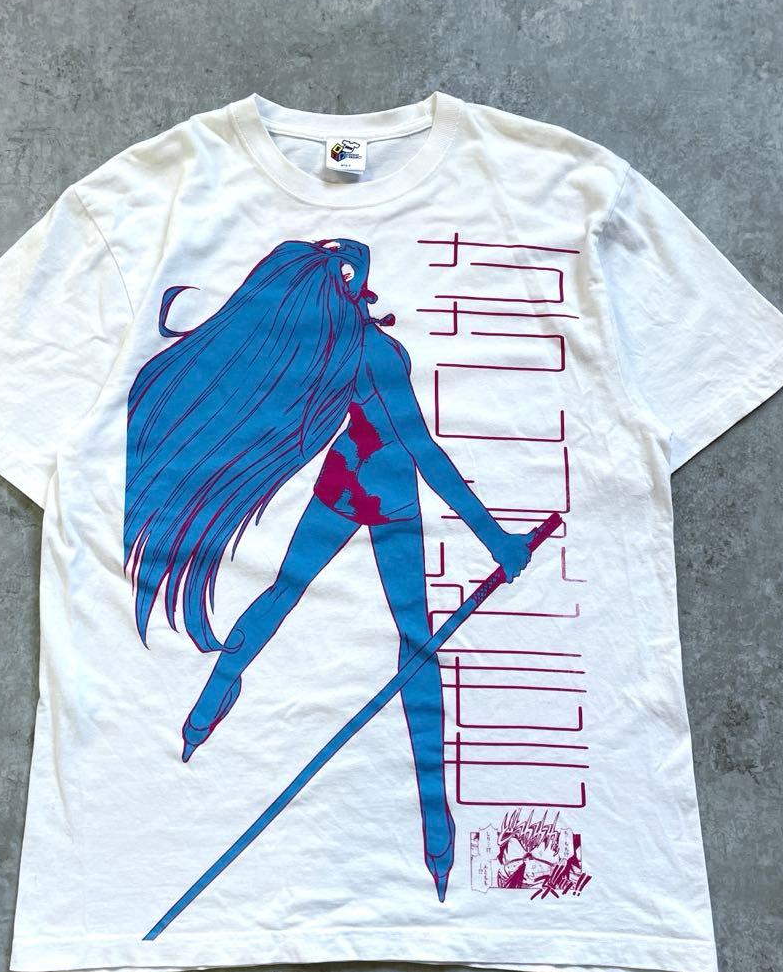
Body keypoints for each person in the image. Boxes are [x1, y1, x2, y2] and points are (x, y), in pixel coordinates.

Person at [125, 238, 532, 900]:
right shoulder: (370, 352)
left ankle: (203, 714)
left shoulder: (335, 344)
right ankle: (436, 826)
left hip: (343, 481)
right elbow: (423, 452)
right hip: (388, 491)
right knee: (415, 642)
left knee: (284, 591)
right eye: (357, 280)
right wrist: (497, 542)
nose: (367, 288)